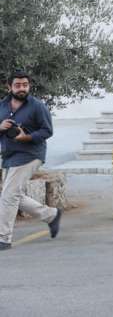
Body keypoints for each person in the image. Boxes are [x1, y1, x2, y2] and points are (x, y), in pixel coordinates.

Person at [0, 70, 62, 251]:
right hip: (9, 155)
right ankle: (51, 215)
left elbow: (47, 131)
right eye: (18, 85)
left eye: (25, 85)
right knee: (12, 195)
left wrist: (26, 137)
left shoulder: (37, 106)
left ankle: (3, 238)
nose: (22, 88)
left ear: (29, 86)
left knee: (9, 195)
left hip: (31, 154)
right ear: (9, 86)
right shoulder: (2, 105)